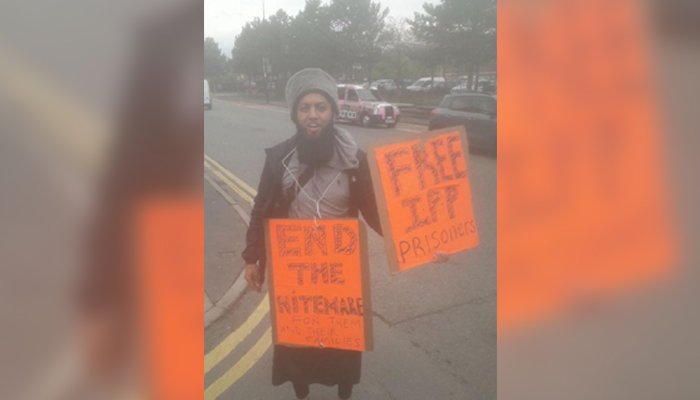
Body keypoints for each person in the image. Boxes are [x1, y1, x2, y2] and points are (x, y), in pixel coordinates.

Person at [242, 68, 382, 400]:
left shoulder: (353, 160)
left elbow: (375, 211)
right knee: (298, 345)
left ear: (333, 111)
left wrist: (415, 243)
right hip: (296, 271)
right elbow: (261, 209)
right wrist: (251, 258)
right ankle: (301, 391)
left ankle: (344, 392)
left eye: (320, 107)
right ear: (295, 115)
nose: (313, 115)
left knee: (342, 343)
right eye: (305, 108)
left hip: (339, 270)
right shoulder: (279, 158)